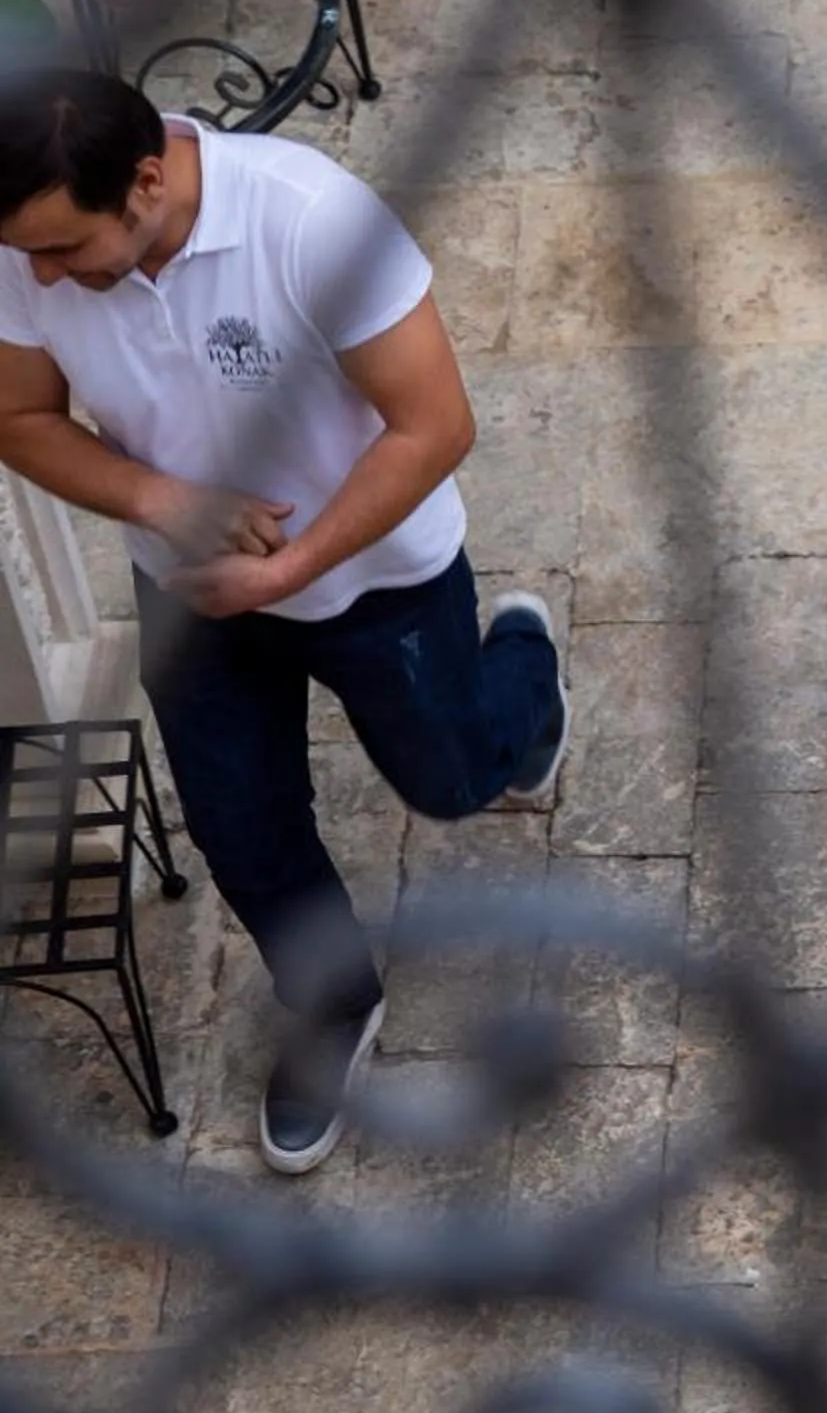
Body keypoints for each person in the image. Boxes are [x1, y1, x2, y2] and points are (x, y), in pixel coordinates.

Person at [0, 70, 565, 1175]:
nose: (44, 276)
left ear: (149, 182)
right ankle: (333, 1001)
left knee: (454, 780)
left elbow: (435, 424)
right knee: (241, 825)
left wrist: (293, 564)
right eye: (30, 257)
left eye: (65, 251)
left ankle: (527, 666)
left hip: (378, 580)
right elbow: (18, 416)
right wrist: (164, 501)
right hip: (192, 597)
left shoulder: (312, 219)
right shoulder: (26, 245)